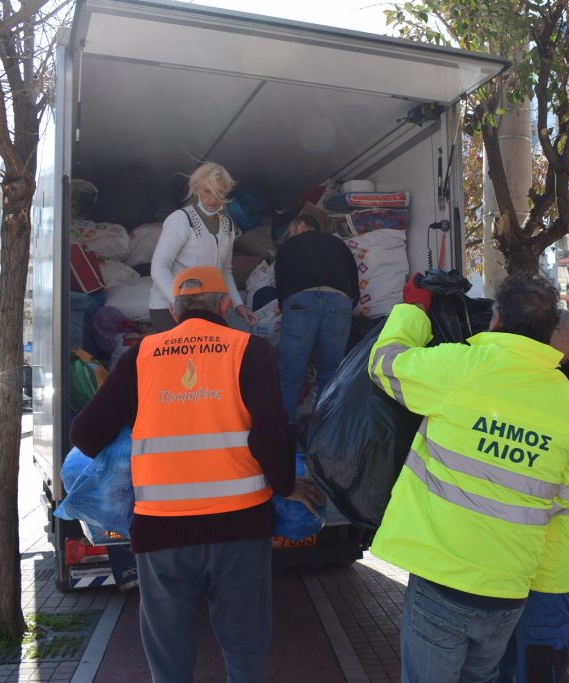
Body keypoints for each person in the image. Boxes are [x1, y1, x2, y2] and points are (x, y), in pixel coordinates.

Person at [70, 265, 322, 682]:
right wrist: (287, 485)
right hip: (239, 530)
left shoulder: (141, 356)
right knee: (244, 649)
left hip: (161, 533)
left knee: (169, 662)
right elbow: (272, 433)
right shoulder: (249, 350)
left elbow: (86, 434)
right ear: (225, 305)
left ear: (173, 308)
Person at [368, 273, 569, 683]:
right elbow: (566, 502)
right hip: (508, 592)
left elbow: (384, 364)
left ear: (495, 319)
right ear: (549, 334)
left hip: (444, 582)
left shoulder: (462, 366)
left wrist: (414, 310)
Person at [497, 310, 569, 682]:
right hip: (520, 562)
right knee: (509, 665)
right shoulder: (547, 388)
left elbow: (561, 489)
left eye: (549, 335)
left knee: (538, 667)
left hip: (549, 570)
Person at [149, 162, 258, 332]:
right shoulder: (182, 219)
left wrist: (239, 305)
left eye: (220, 192)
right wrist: (179, 303)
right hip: (168, 308)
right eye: (208, 191)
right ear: (197, 188)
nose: (213, 199)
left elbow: (225, 271)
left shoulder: (227, 225)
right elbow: (159, 266)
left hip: (206, 309)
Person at [273, 213, 359, 424]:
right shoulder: (339, 245)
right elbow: (354, 284)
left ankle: (287, 440)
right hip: (339, 303)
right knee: (330, 377)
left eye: (291, 231)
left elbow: (281, 287)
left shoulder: (289, 248)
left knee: (290, 377)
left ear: (301, 225)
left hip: (300, 303)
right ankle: (322, 443)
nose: (290, 236)